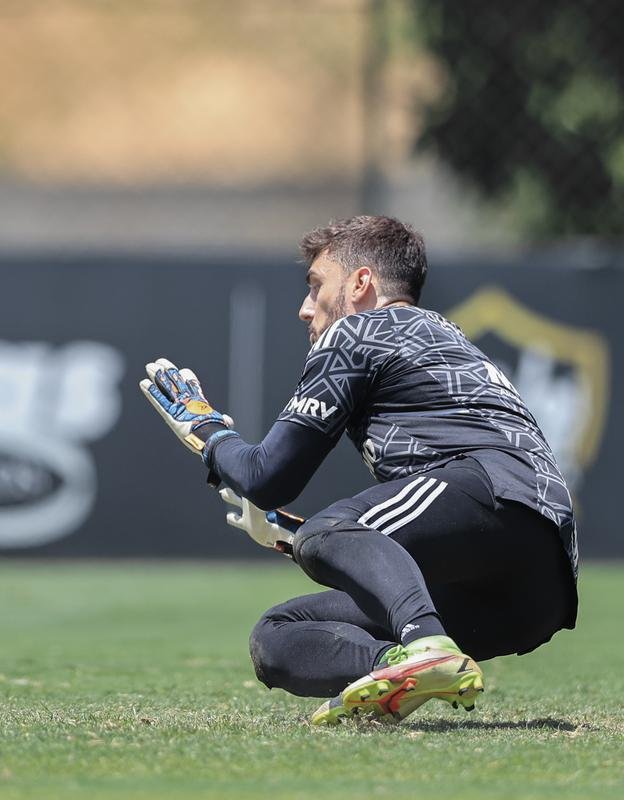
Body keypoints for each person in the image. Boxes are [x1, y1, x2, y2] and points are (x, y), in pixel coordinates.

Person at [140, 215, 578, 725]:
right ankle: (395, 670)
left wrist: (210, 433)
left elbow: (268, 476)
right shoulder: (443, 333)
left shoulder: (357, 331)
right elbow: (427, 524)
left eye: (316, 286)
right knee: (280, 633)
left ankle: (423, 644)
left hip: (490, 493)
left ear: (361, 283)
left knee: (330, 528)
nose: (305, 309)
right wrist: (291, 534)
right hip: (539, 584)